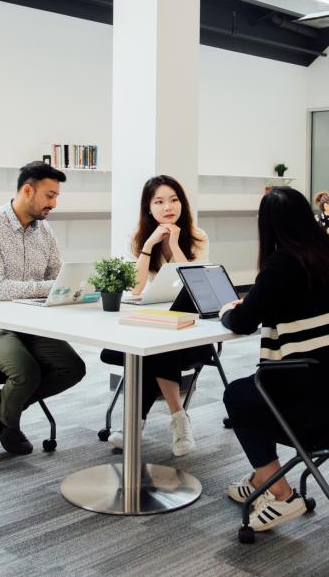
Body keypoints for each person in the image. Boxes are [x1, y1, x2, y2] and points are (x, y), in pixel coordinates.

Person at [219, 187, 329, 532]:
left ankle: (281, 494)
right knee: (254, 391)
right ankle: (260, 481)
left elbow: (242, 323)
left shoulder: (281, 265)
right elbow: (303, 303)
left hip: (315, 404)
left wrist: (228, 310)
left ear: (267, 226)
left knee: (240, 396)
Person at [0, 161, 86, 455]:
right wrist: (50, 287)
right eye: (50, 195)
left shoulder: (44, 230)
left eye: (57, 196)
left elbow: (58, 275)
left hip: (31, 320)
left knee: (72, 368)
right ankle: (10, 423)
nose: (54, 203)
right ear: (28, 191)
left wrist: (68, 286)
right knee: (25, 371)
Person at [106, 175, 208, 456]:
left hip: (192, 329)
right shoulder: (139, 240)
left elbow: (193, 282)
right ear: (148, 208)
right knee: (149, 346)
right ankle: (179, 418)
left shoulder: (198, 237)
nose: (168, 207)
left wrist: (174, 244)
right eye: (159, 201)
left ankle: (136, 425)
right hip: (153, 324)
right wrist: (149, 246)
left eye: (174, 200)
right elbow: (136, 289)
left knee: (151, 350)